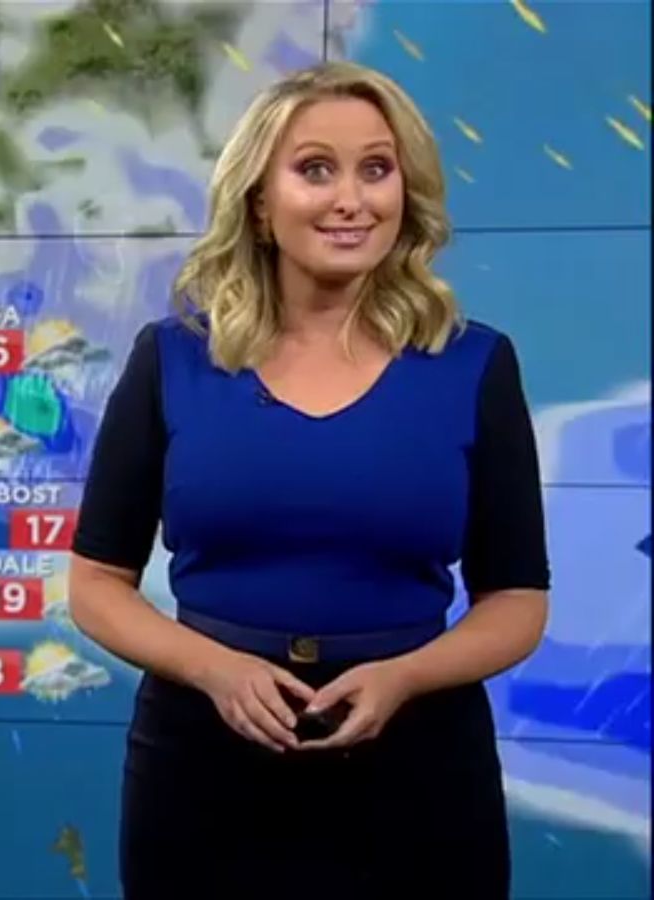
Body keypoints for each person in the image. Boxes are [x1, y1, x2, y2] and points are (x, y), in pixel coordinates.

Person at [68, 61, 550, 899]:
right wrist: (216, 671)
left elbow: (516, 600)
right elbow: (96, 585)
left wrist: (405, 677)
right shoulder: (173, 358)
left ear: (406, 192)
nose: (350, 200)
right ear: (260, 201)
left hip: (419, 765)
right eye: (315, 169)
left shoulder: (472, 364)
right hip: (205, 766)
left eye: (377, 169)